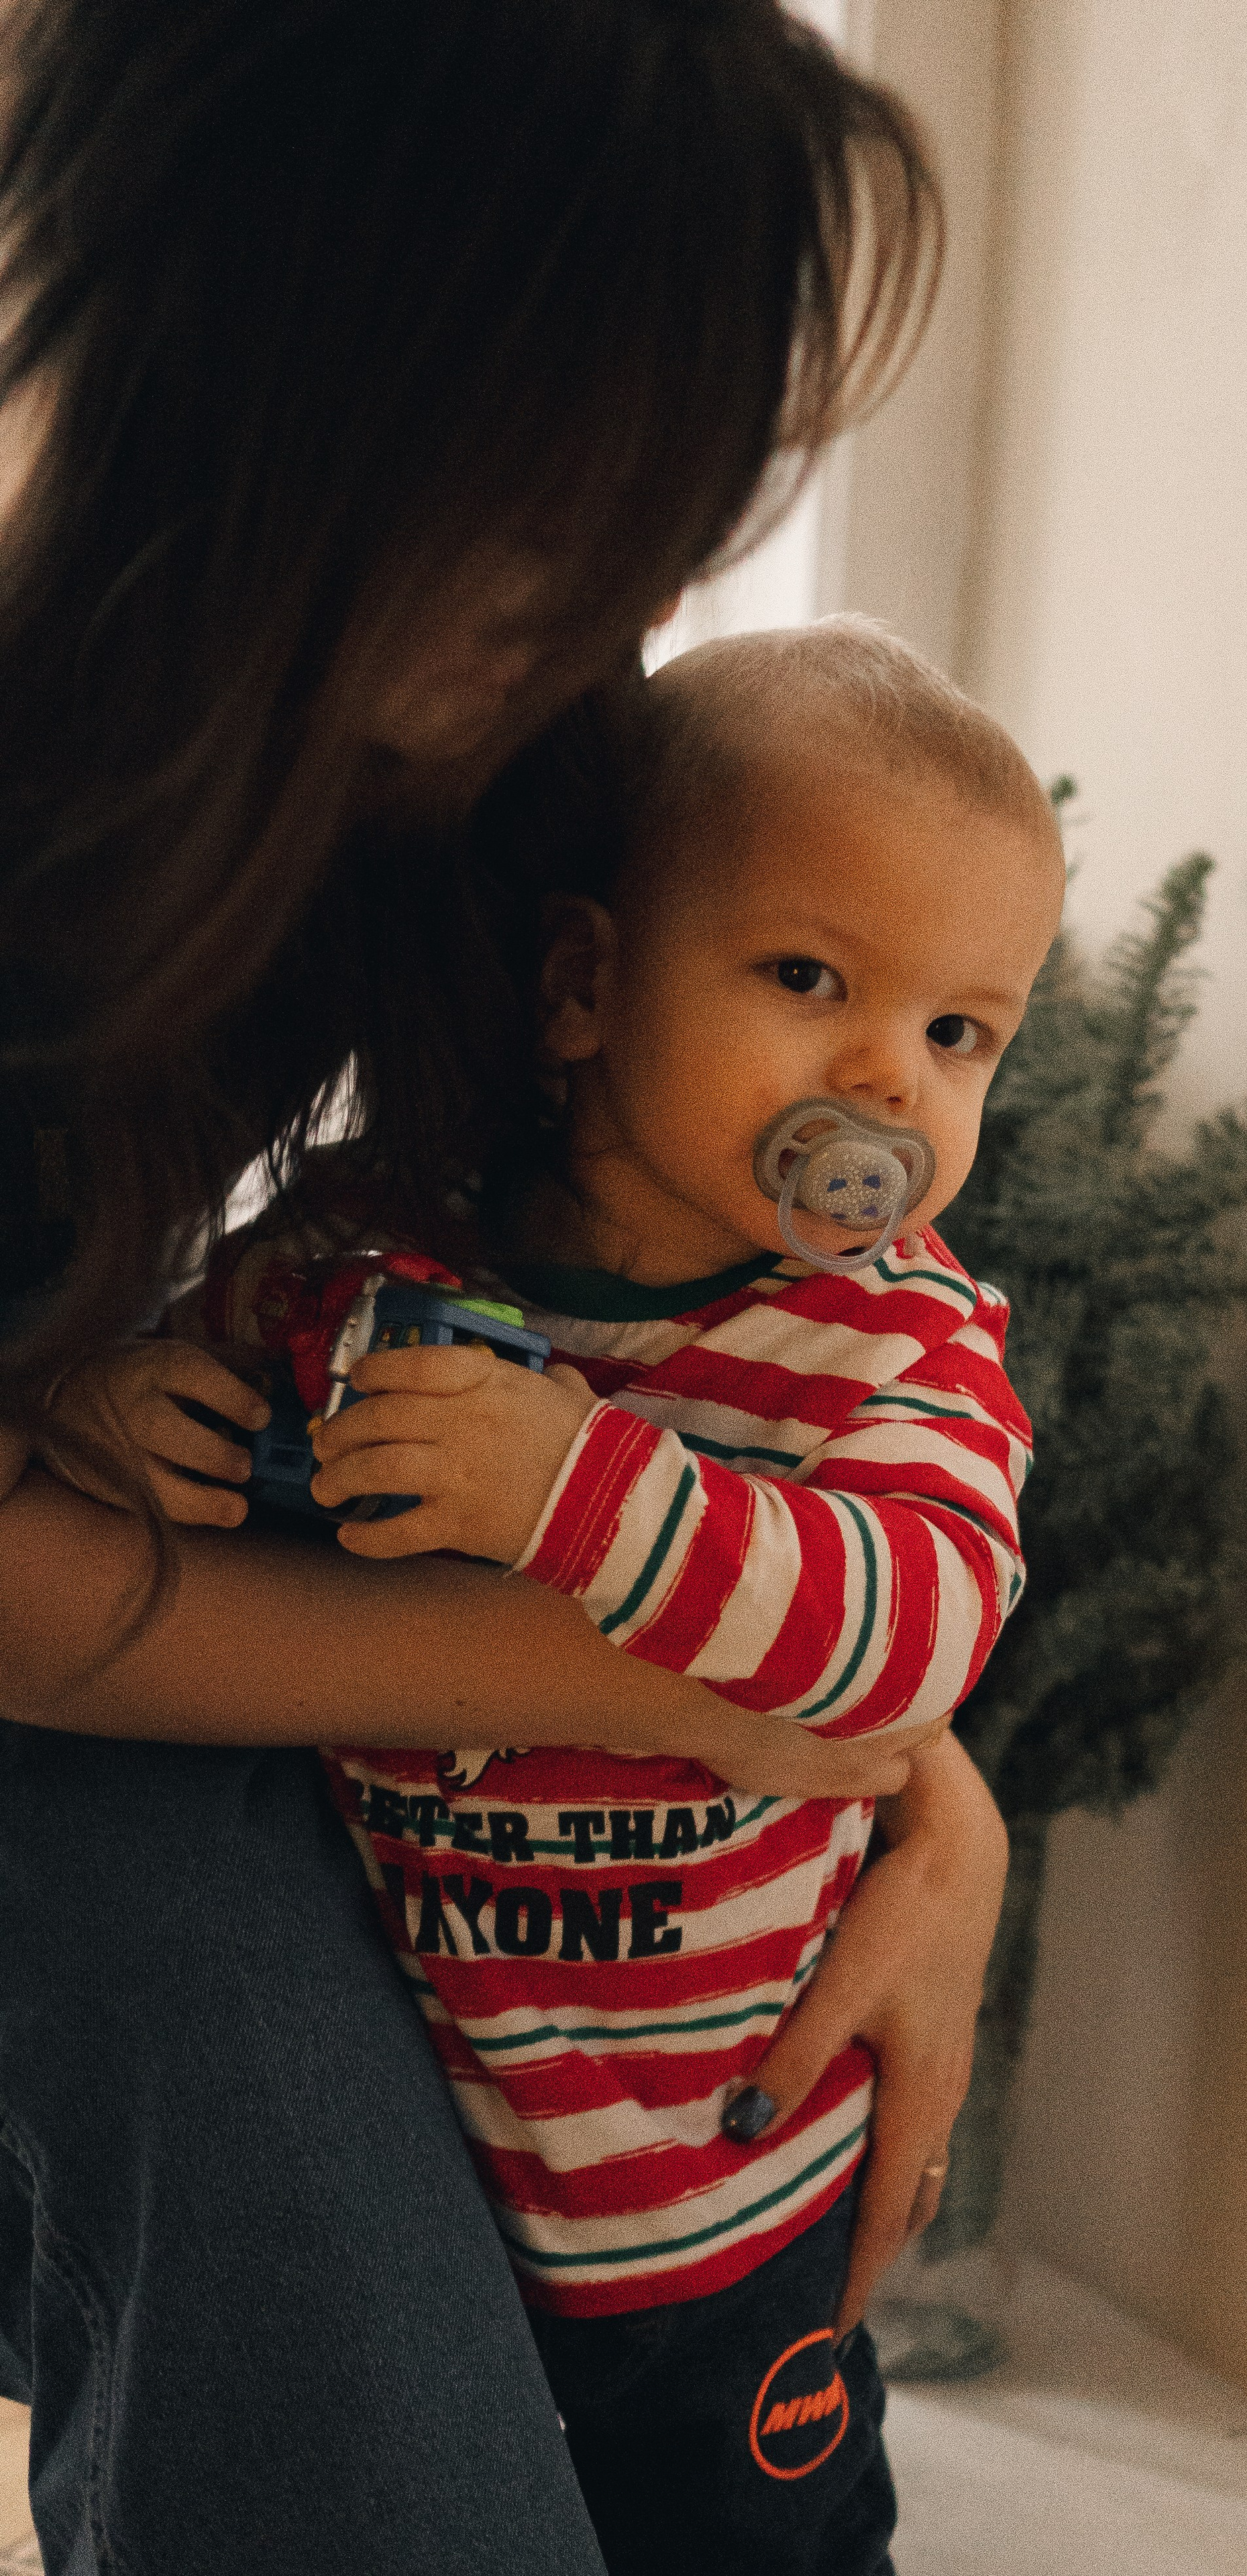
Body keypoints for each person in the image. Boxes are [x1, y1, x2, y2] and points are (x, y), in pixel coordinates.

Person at [0, 10, 1008, 2575]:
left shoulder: (476, 775)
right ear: (310, 374)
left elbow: (609, 1331)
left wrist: (918, 1779)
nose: (640, 596)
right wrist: (706, 1702)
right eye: (586, 491)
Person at [63, 620, 1063, 2575]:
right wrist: (121, 1399)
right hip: (409, 2158)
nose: (888, 1081)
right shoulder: (363, 1252)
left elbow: (906, 1629)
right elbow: (200, 1400)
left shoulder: (897, 1344)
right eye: (808, 981)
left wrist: (578, 1485)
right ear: (589, 982)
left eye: (961, 1035)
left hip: (724, 2222)